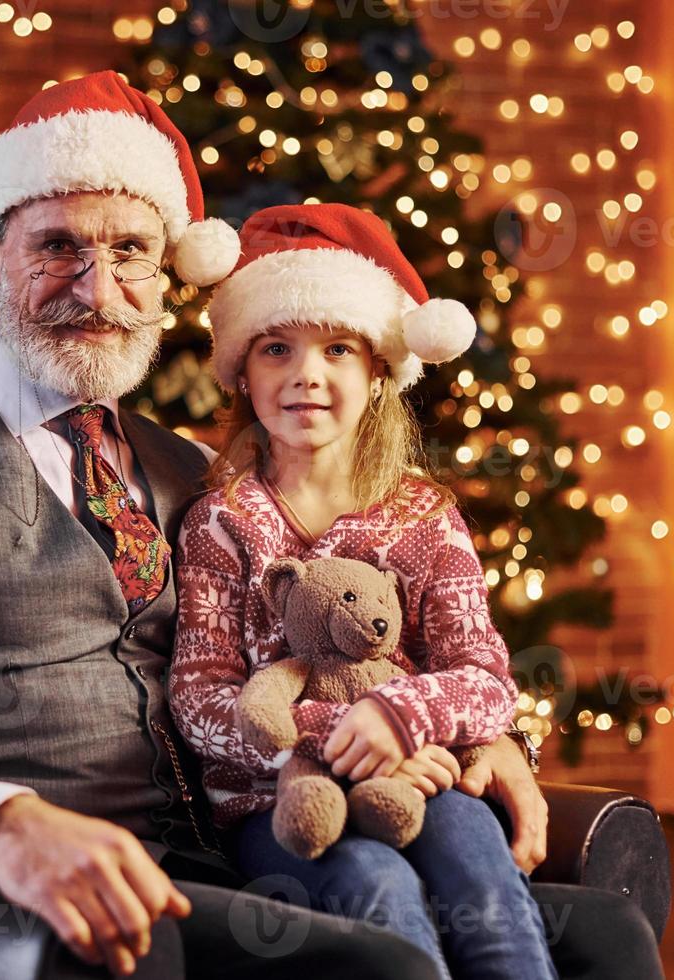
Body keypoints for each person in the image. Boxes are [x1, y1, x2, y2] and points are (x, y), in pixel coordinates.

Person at [0, 72, 653, 979]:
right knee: (386, 962)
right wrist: (2, 827)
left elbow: (367, 656)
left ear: (166, 272)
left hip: (239, 848)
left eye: (134, 252)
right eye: (57, 245)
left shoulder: (190, 475)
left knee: (611, 939)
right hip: (78, 895)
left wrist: (490, 741)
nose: (99, 289)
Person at [170, 203, 557, 979]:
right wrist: (342, 736)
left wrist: (402, 716)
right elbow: (199, 696)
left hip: (421, 779)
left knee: (482, 882)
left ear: (378, 371)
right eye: (276, 348)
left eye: (337, 349)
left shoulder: (424, 517)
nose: (306, 374)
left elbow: (484, 680)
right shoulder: (219, 523)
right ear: (242, 372)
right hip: (277, 804)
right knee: (376, 890)